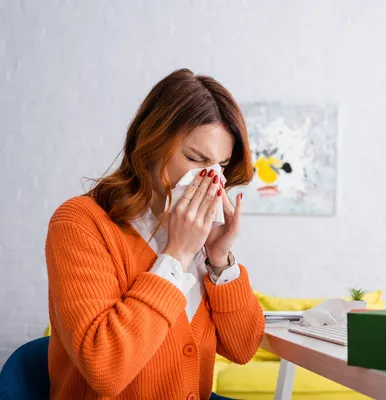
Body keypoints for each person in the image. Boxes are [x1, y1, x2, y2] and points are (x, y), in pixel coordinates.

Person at [45, 69, 265, 400]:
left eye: (221, 165)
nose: (211, 178)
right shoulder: (80, 222)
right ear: (151, 144)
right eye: (194, 158)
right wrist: (176, 255)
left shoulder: (202, 239)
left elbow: (244, 347)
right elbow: (104, 368)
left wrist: (220, 260)